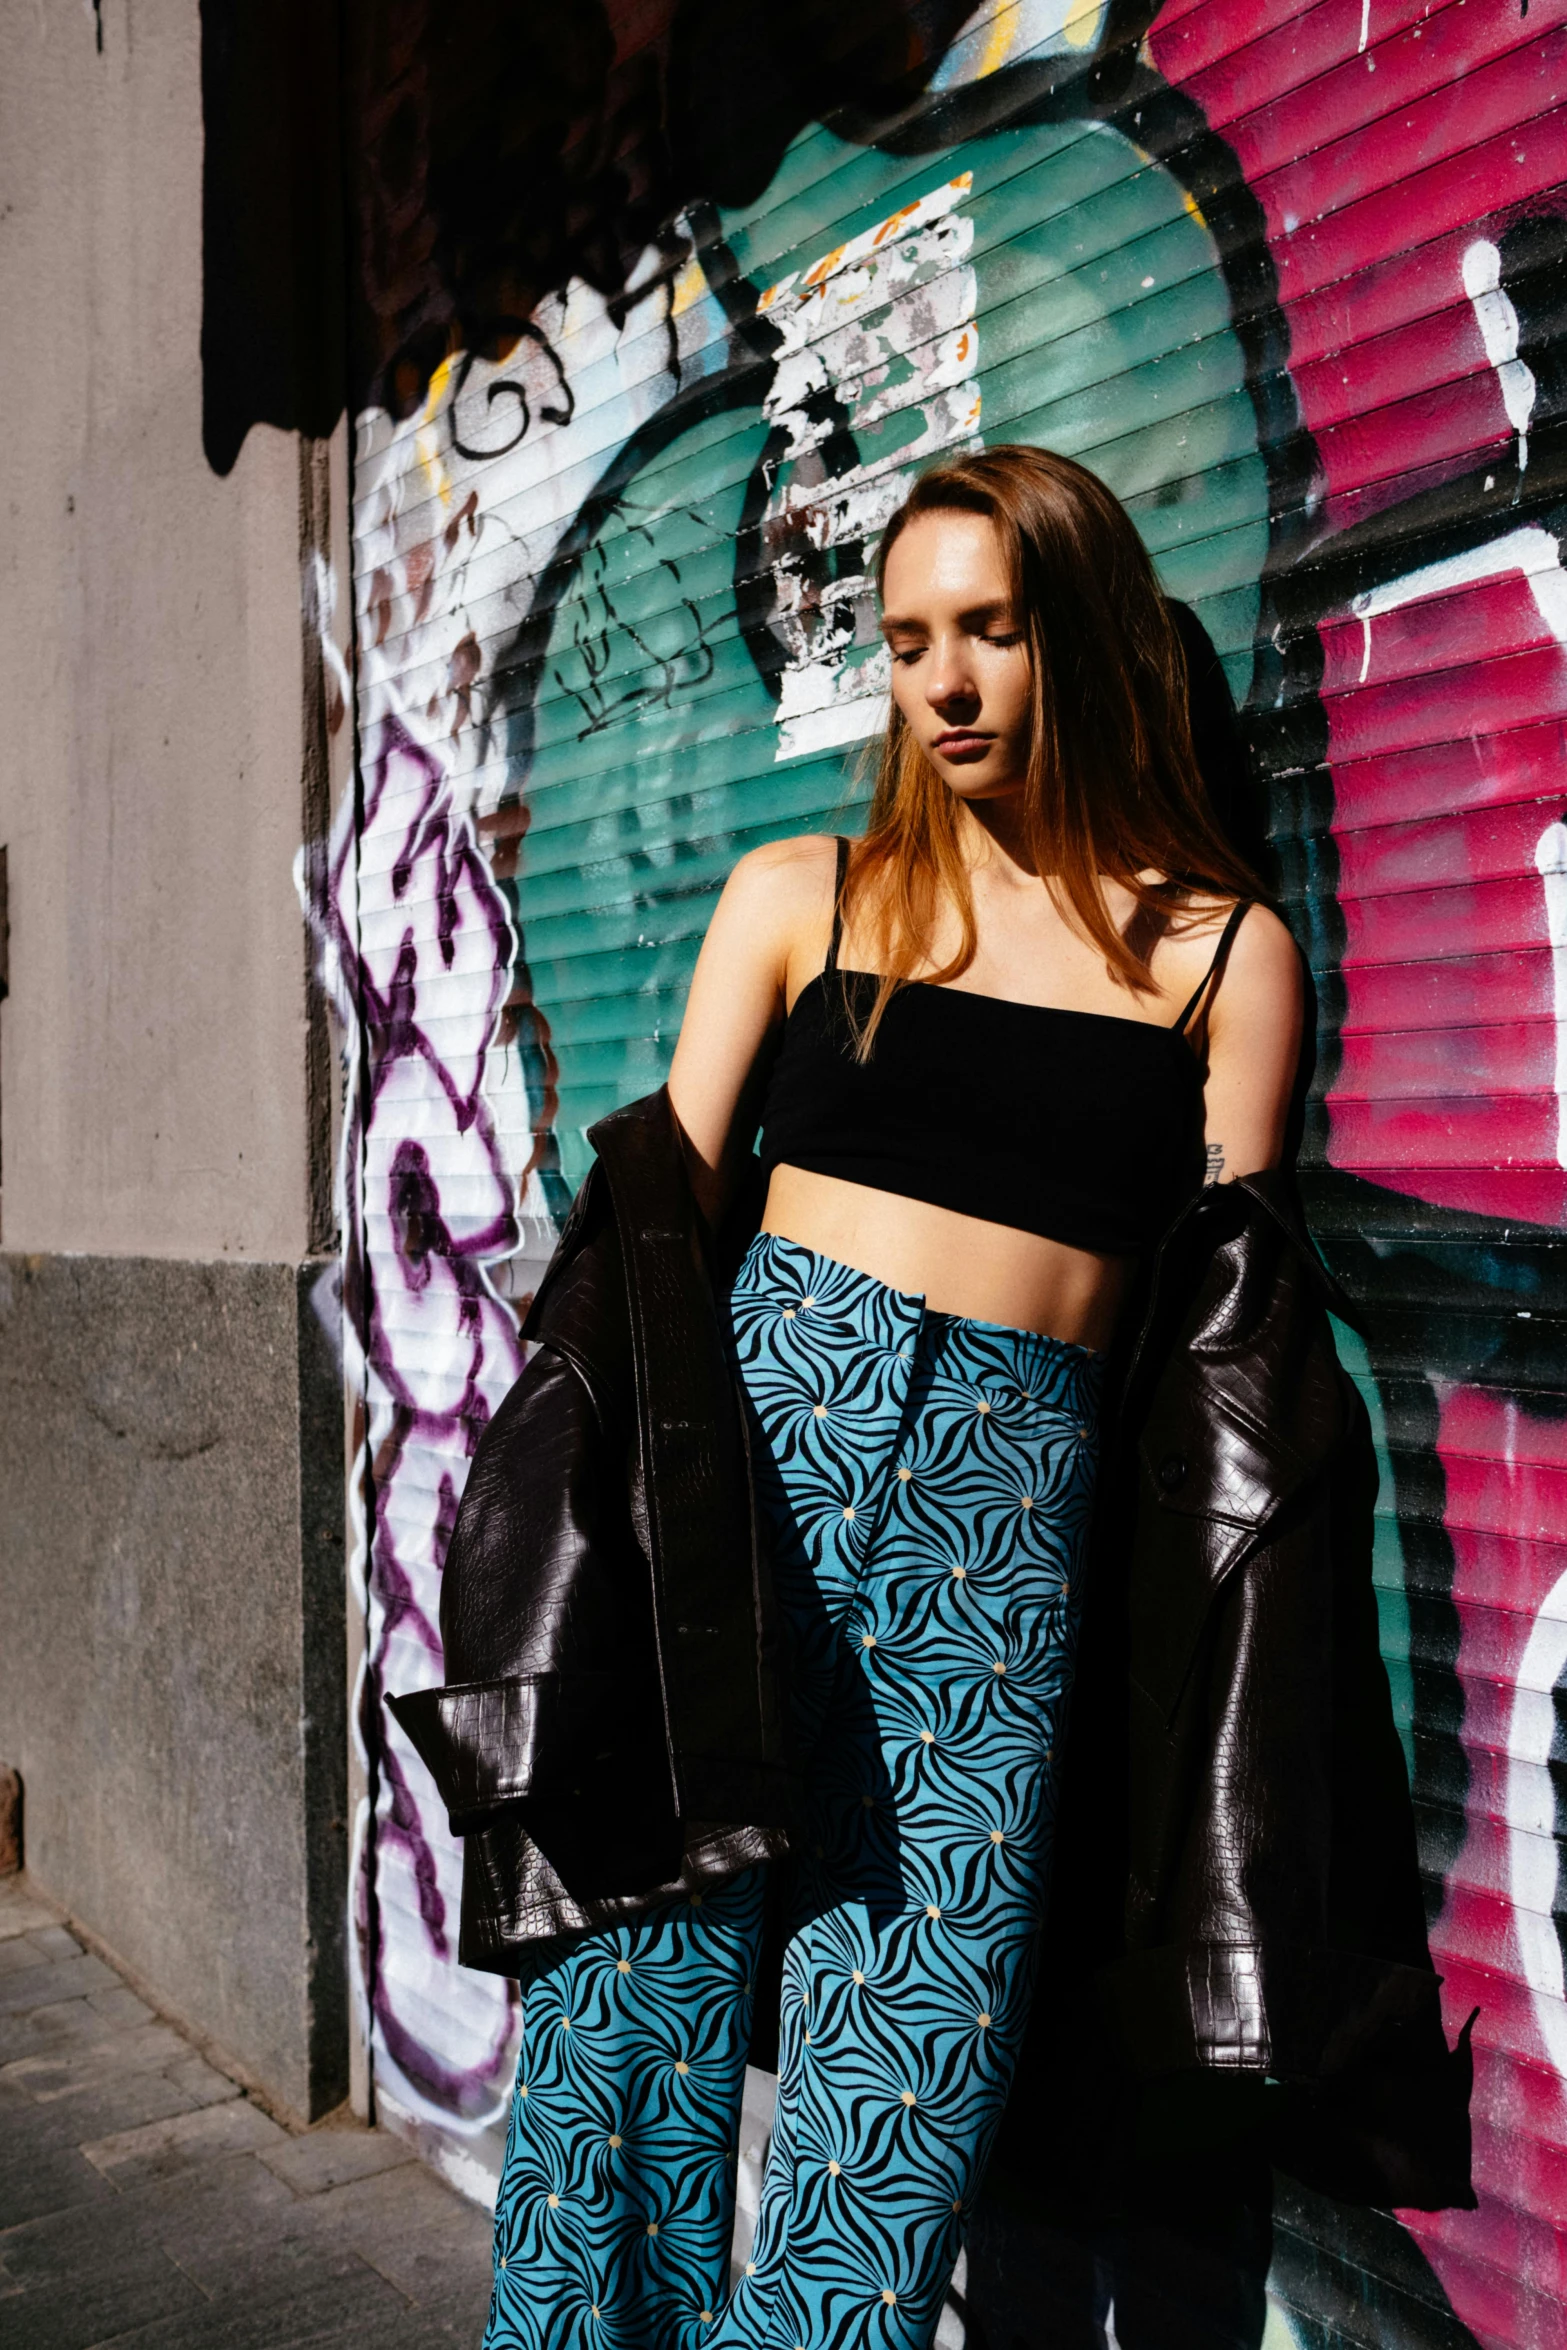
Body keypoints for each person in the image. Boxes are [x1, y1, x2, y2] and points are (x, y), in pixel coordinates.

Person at [469, 443, 1306, 2350]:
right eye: (909, 637)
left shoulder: (1220, 960)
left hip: (996, 1574)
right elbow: (634, 1277)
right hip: (745, 1499)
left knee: (892, 2115)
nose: (940, 684)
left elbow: (1226, 1385)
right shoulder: (803, 897)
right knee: (618, 2051)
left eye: (989, 632)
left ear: (1078, 639)